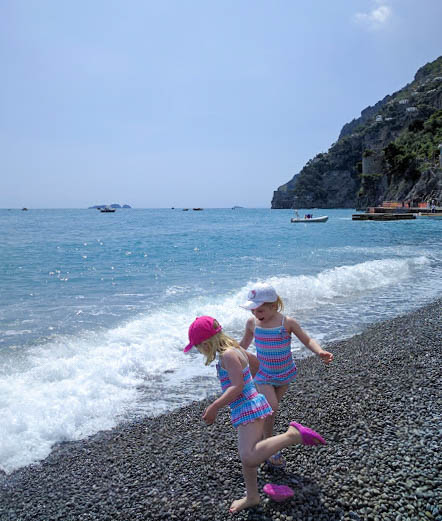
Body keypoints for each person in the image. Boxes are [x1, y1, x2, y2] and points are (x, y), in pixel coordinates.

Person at [184, 316, 326, 513]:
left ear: (206, 343)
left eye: (198, 347)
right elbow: (256, 364)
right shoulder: (236, 349)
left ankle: (292, 435)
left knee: (249, 457)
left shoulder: (227, 355)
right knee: (246, 453)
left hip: (249, 408)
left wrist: (215, 406)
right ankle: (252, 496)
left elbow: (237, 386)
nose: (199, 351)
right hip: (248, 405)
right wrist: (253, 385)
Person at [240, 284, 333, 469]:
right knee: (270, 407)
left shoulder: (287, 323)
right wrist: (231, 356)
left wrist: (320, 351)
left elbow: (307, 339)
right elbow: (243, 344)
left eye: (260, 310)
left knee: (268, 411)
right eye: (253, 310)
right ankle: (270, 446)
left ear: (274, 306)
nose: (256, 314)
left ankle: (260, 436)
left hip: (284, 374)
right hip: (263, 373)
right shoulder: (252, 324)